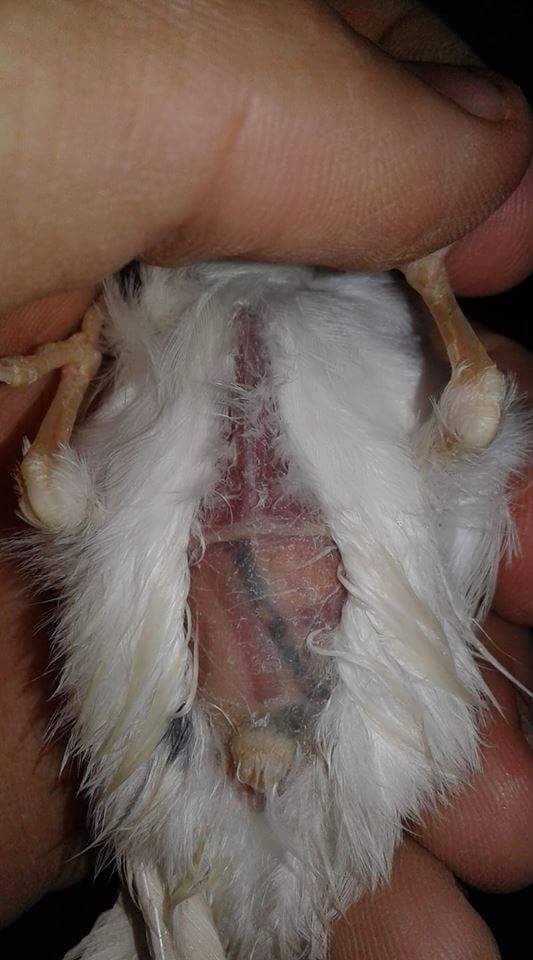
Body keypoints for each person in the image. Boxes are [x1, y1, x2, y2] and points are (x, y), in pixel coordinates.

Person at [0, 3, 531, 957]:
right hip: (333, 284)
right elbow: (471, 424)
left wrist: (74, 364)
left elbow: (56, 502)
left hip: (190, 300)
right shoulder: (350, 240)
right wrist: (427, 273)